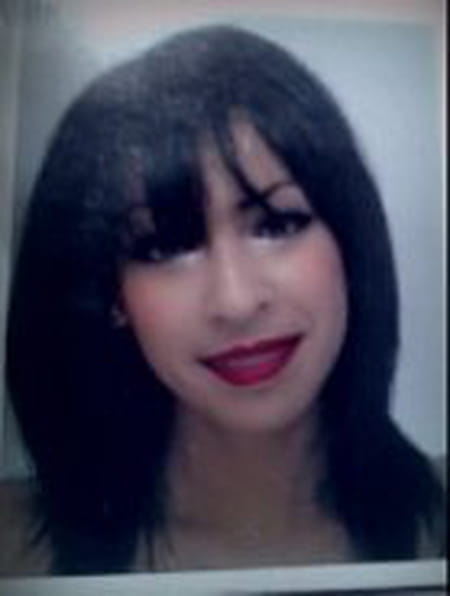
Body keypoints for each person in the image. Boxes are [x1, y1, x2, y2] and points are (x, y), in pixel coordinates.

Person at [1, 25, 444, 575]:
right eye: (165, 246)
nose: (235, 302)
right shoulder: (14, 553)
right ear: (111, 292)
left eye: (277, 224)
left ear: (350, 244)